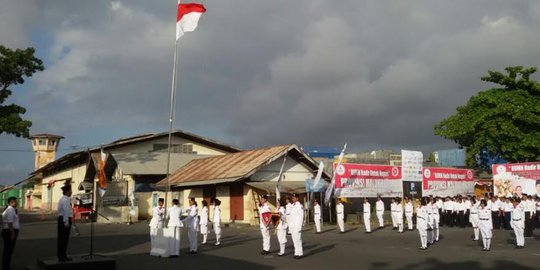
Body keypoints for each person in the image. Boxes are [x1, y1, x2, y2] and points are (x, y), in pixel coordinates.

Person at [57, 184, 73, 262]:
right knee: (64, 239)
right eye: (70, 190)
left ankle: (61, 255)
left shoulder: (62, 199)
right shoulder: (66, 200)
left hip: (61, 219)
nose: (71, 192)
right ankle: (63, 256)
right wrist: (66, 222)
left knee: (61, 239)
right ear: (67, 191)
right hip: (64, 220)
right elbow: (66, 212)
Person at [2, 197, 19, 270]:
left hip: (7, 231)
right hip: (9, 231)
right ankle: (6, 267)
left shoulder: (8, 209)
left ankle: (6, 266)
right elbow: (10, 223)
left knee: (7, 250)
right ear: (12, 202)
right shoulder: (10, 210)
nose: (16, 203)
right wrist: (12, 233)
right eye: (15, 201)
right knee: (8, 250)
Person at [289, 194, 304, 259]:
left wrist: (300, 227)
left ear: (297, 198)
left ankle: (300, 253)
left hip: (297, 225)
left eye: (294, 198)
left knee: (298, 240)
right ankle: (296, 252)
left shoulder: (299, 206)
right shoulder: (292, 206)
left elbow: (301, 217)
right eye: (292, 198)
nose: (293, 199)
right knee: (294, 240)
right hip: (292, 225)